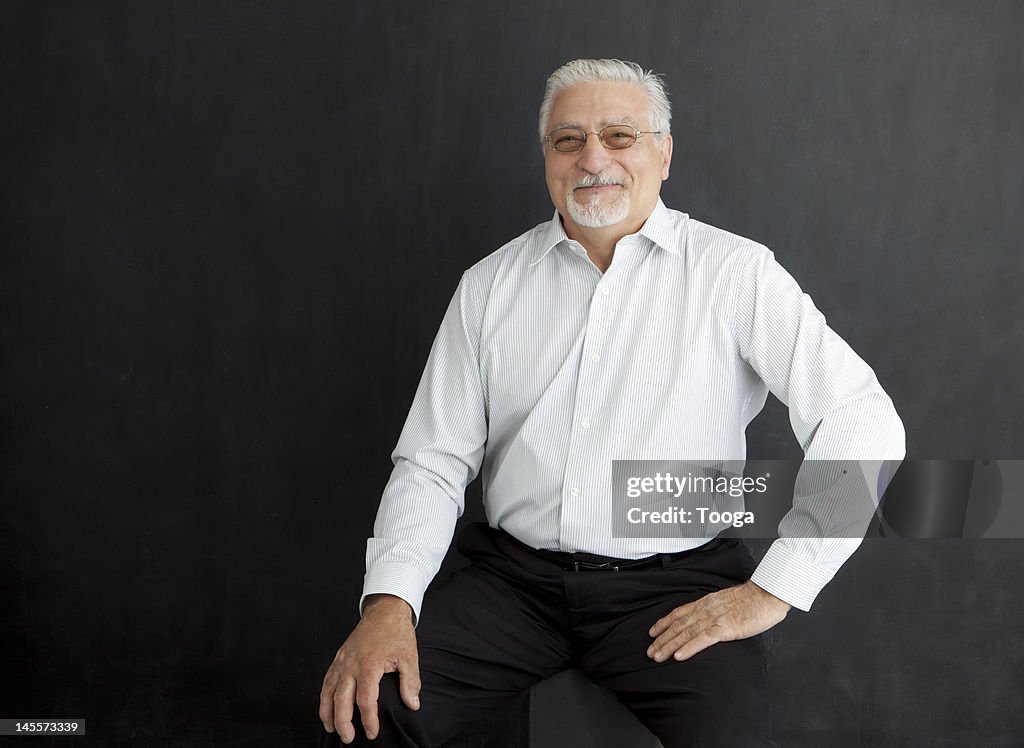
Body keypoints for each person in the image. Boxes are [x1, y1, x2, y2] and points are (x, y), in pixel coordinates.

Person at [318, 58, 905, 747]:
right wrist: (388, 603)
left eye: (619, 136)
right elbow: (431, 461)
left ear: (664, 152)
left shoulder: (734, 274)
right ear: (547, 160)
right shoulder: (488, 286)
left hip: (675, 588)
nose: (593, 157)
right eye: (568, 140)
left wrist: (775, 589)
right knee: (365, 716)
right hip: (513, 586)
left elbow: (863, 422)